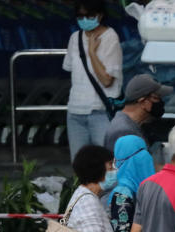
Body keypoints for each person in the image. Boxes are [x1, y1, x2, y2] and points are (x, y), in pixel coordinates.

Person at [63, 0, 122, 159]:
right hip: (75, 111)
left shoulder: (110, 37)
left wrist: (92, 52)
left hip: (100, 111)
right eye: (80, 16)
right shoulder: (75, 38)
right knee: (79, 163)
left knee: (105, 163)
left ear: (100, 15)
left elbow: (106, 80)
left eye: (89, 15)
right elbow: (70, 69)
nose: (84, 19)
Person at [103, 74, 172, 151]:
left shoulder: (132, 126)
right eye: (157, 98)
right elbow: (132, 163)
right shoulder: (124, 132)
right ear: (143, 102)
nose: (161, 102)